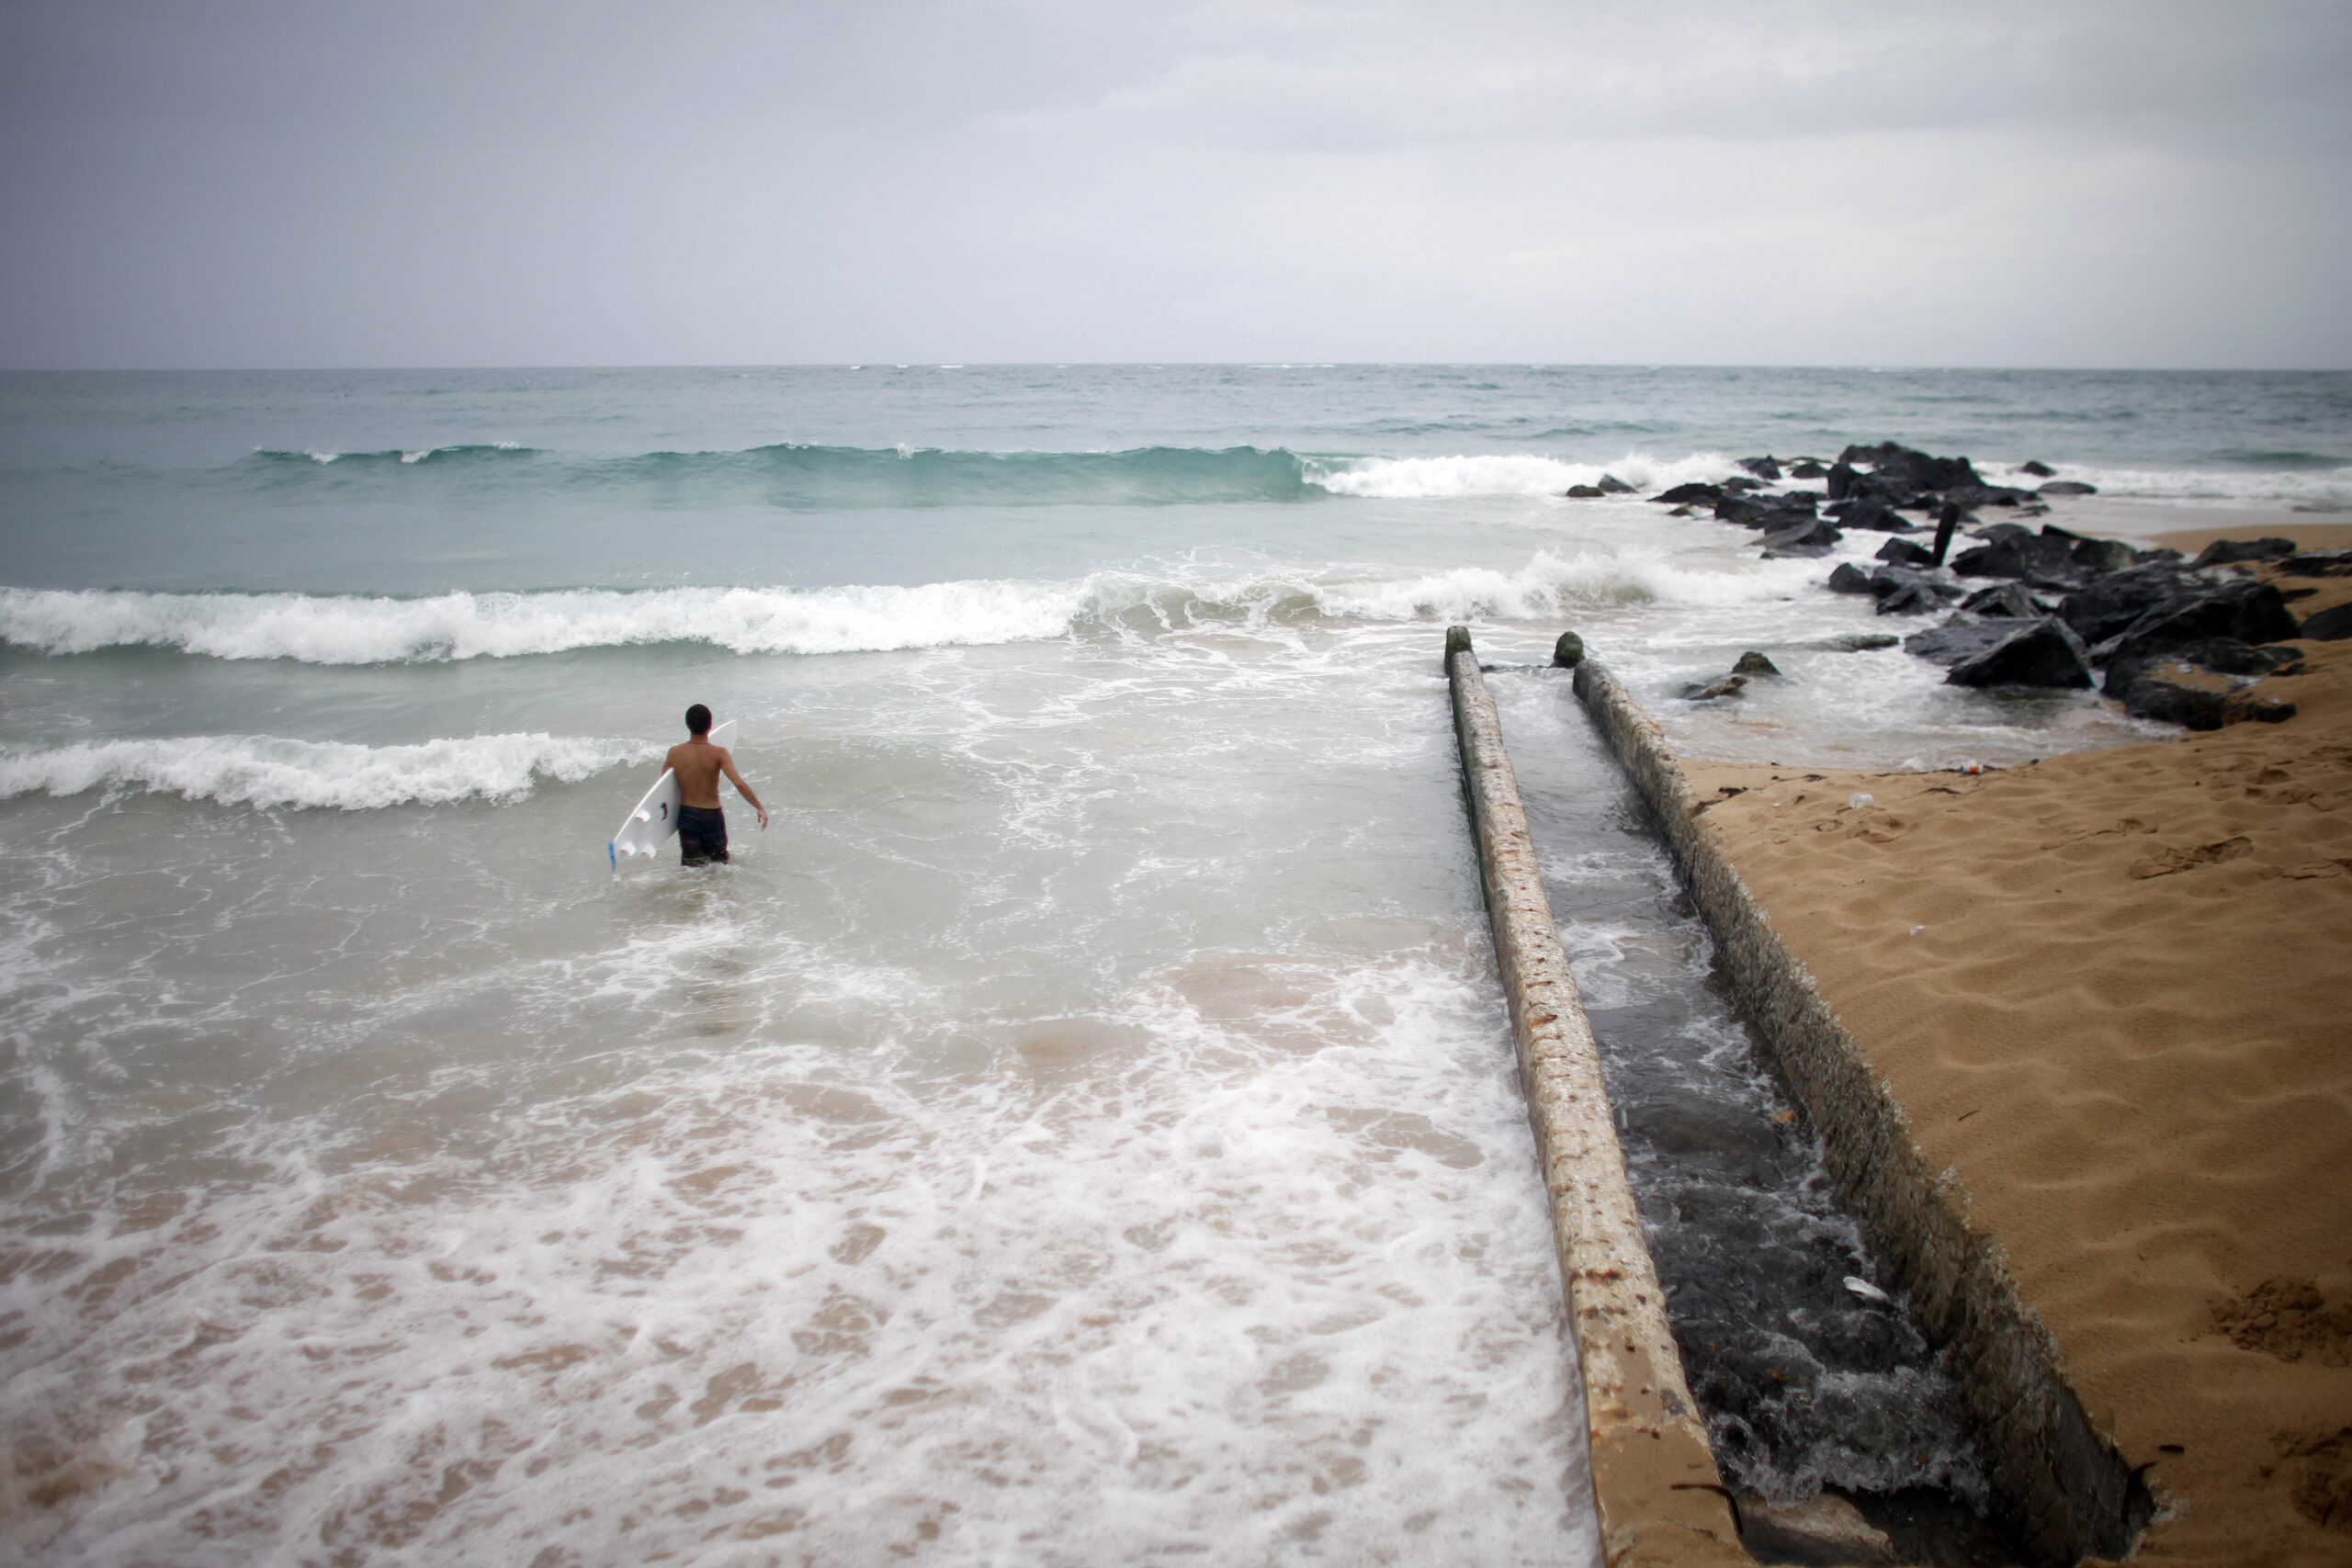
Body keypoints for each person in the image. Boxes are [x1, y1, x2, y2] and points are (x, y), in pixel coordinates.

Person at [662, 704, 766, 865]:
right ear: (710, 725)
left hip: (687, 816)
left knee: (692, 867)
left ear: (687, 724)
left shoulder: (674, 753)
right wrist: (758, 806)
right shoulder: (719, 753)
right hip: (711, 816)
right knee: (718, 865)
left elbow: (665, 789)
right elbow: (738, 783)